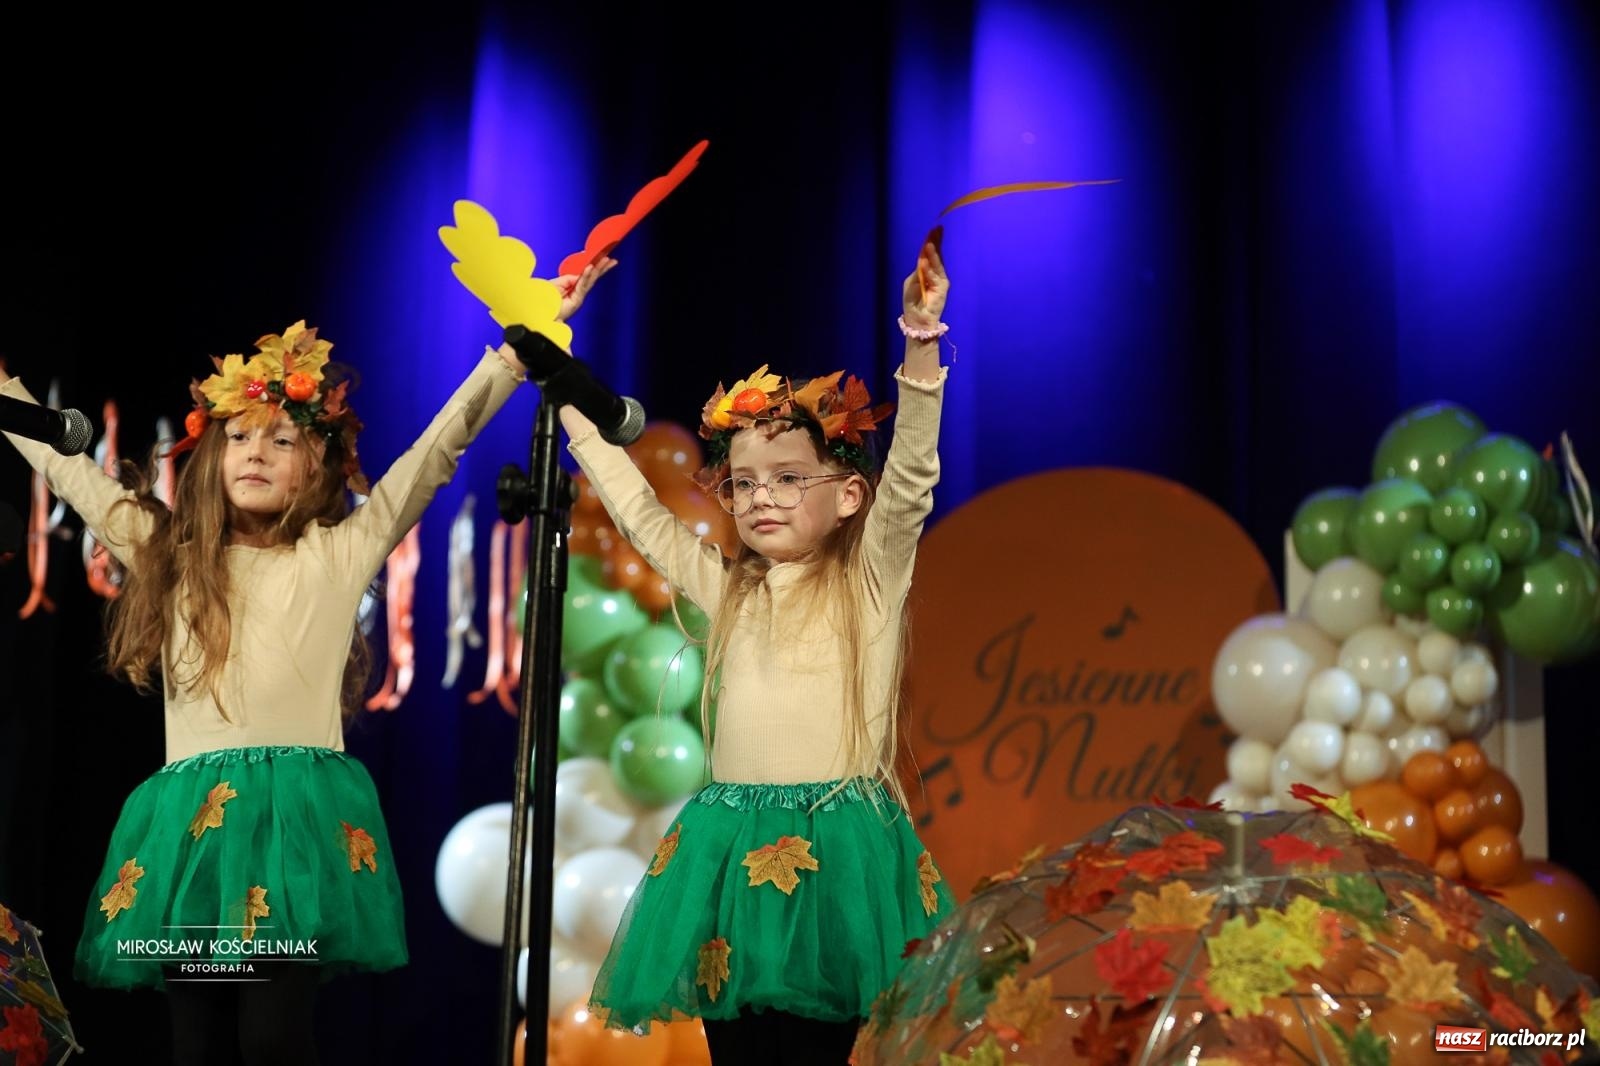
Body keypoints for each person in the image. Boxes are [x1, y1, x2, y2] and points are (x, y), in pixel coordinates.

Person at [0, 260, 611, 1066]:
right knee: (195, 1042)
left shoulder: (337, 552)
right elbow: (66, 467)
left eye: (282, 439)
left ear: (316, 466)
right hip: (194, 837)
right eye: (241, 438)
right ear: (213, 458)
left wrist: (508, 359)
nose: (256, 453)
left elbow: (433, 457)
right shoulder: (170, 554)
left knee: (273, 1035)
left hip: (288, 835)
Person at [568, 240, 956, 1065]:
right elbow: (641, 514)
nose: (760, 499)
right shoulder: (728, 590)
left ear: (850, 495)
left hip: (838, 849)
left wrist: (921, 343)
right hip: (731, 846)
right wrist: (567, 398)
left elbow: (913, 477)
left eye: (787, 479)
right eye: (743, 483)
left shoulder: (871, 580)